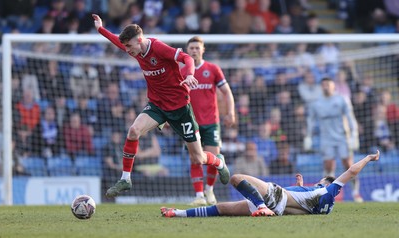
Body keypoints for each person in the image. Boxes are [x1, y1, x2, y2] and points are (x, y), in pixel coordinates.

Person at [91, 14, 230, 198]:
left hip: (180, 108)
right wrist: (101, 29)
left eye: (129, 46)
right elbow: (117, 41)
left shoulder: (158, 47)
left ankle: (219, 162)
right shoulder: (134, 49)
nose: (127, 50)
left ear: (139, 40)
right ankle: (125, 178)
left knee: (198, 158)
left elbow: (186, 58)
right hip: (157, 105)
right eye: (126, 47)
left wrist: (189, 74)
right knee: (133, 131)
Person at [161, 150, 380, 218]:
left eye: (321, 181)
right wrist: (301, 186)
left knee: (237, 178)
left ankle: (260, 206)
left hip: (276, 198)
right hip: (280, 209)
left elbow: (351, 171)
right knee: (222, 209)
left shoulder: (328, 188)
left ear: (326, 182)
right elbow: (302, 204)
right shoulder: (324, 207)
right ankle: (177, 213)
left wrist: (369, 158)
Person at [180, 36, 236, 206]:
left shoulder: (212, 69)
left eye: (197, 48)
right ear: (187, 51)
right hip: (190, 122)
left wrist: (231, 112)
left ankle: (209, 190)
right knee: (195, 158)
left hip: (211, 121)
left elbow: (226, 92)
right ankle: (199, 196)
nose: (194, 51)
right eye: (191, 48)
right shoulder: (182, 72)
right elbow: (174, 96)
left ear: (203, 50)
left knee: (213, 156)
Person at [304, 77, 362, 202]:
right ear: (321, 87)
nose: (325, 87)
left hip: (342, 137)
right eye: (323, 85)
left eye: (328, 85)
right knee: (329, 165)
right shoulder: (316, 103)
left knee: (348, 165)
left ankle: (356, 193)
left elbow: (350, 117)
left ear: (333, 86)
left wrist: (354, 135)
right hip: (326, 139)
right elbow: (311, 120)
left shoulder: (342, 99)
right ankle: (326, 193)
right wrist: (308, 136)